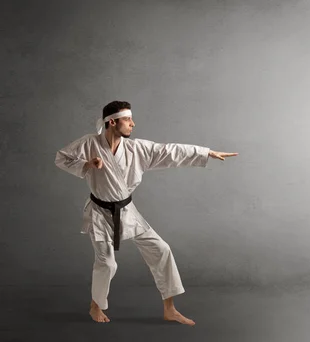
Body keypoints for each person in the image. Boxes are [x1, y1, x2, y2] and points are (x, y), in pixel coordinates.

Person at [54, 100, 238, 325]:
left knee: (161, 250)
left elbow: (169, 151)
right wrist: (86, 164)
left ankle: (169, 309)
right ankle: (95, 306)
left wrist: (206, 152)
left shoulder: (136, 148)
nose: (133, 123)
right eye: (128, 119)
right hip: (100, 213)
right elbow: (62, 158)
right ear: (112, 122)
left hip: (126, 210)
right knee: (107, 263)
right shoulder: (89, 143)